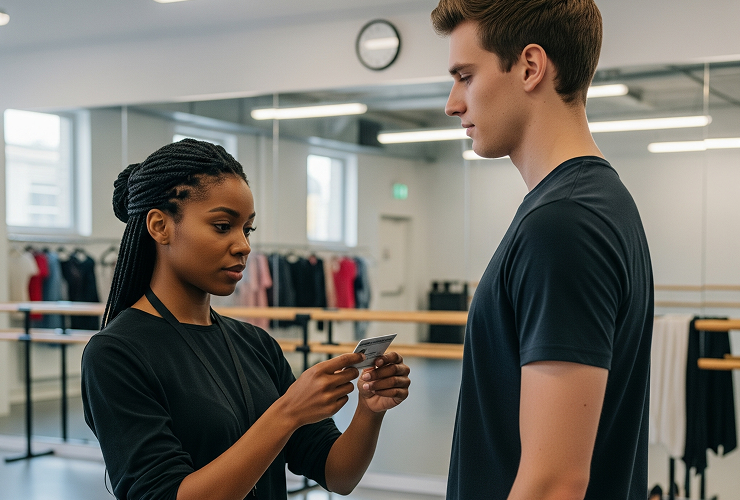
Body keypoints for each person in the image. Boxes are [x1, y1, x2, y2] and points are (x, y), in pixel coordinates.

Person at [81, 139, 411, 500]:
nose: (244, 245)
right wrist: (287, 413)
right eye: (223, 226)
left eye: (247, 229)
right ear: (160, 226)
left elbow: (339, 475)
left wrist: (369, 409)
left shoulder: (255, 344)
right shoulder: (116, 353)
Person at [431, 1, 653, 499]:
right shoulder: (589, 205)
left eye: (465, 76)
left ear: (531, 67)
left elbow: (555, 483)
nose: (452, 102)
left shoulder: (564, 224)